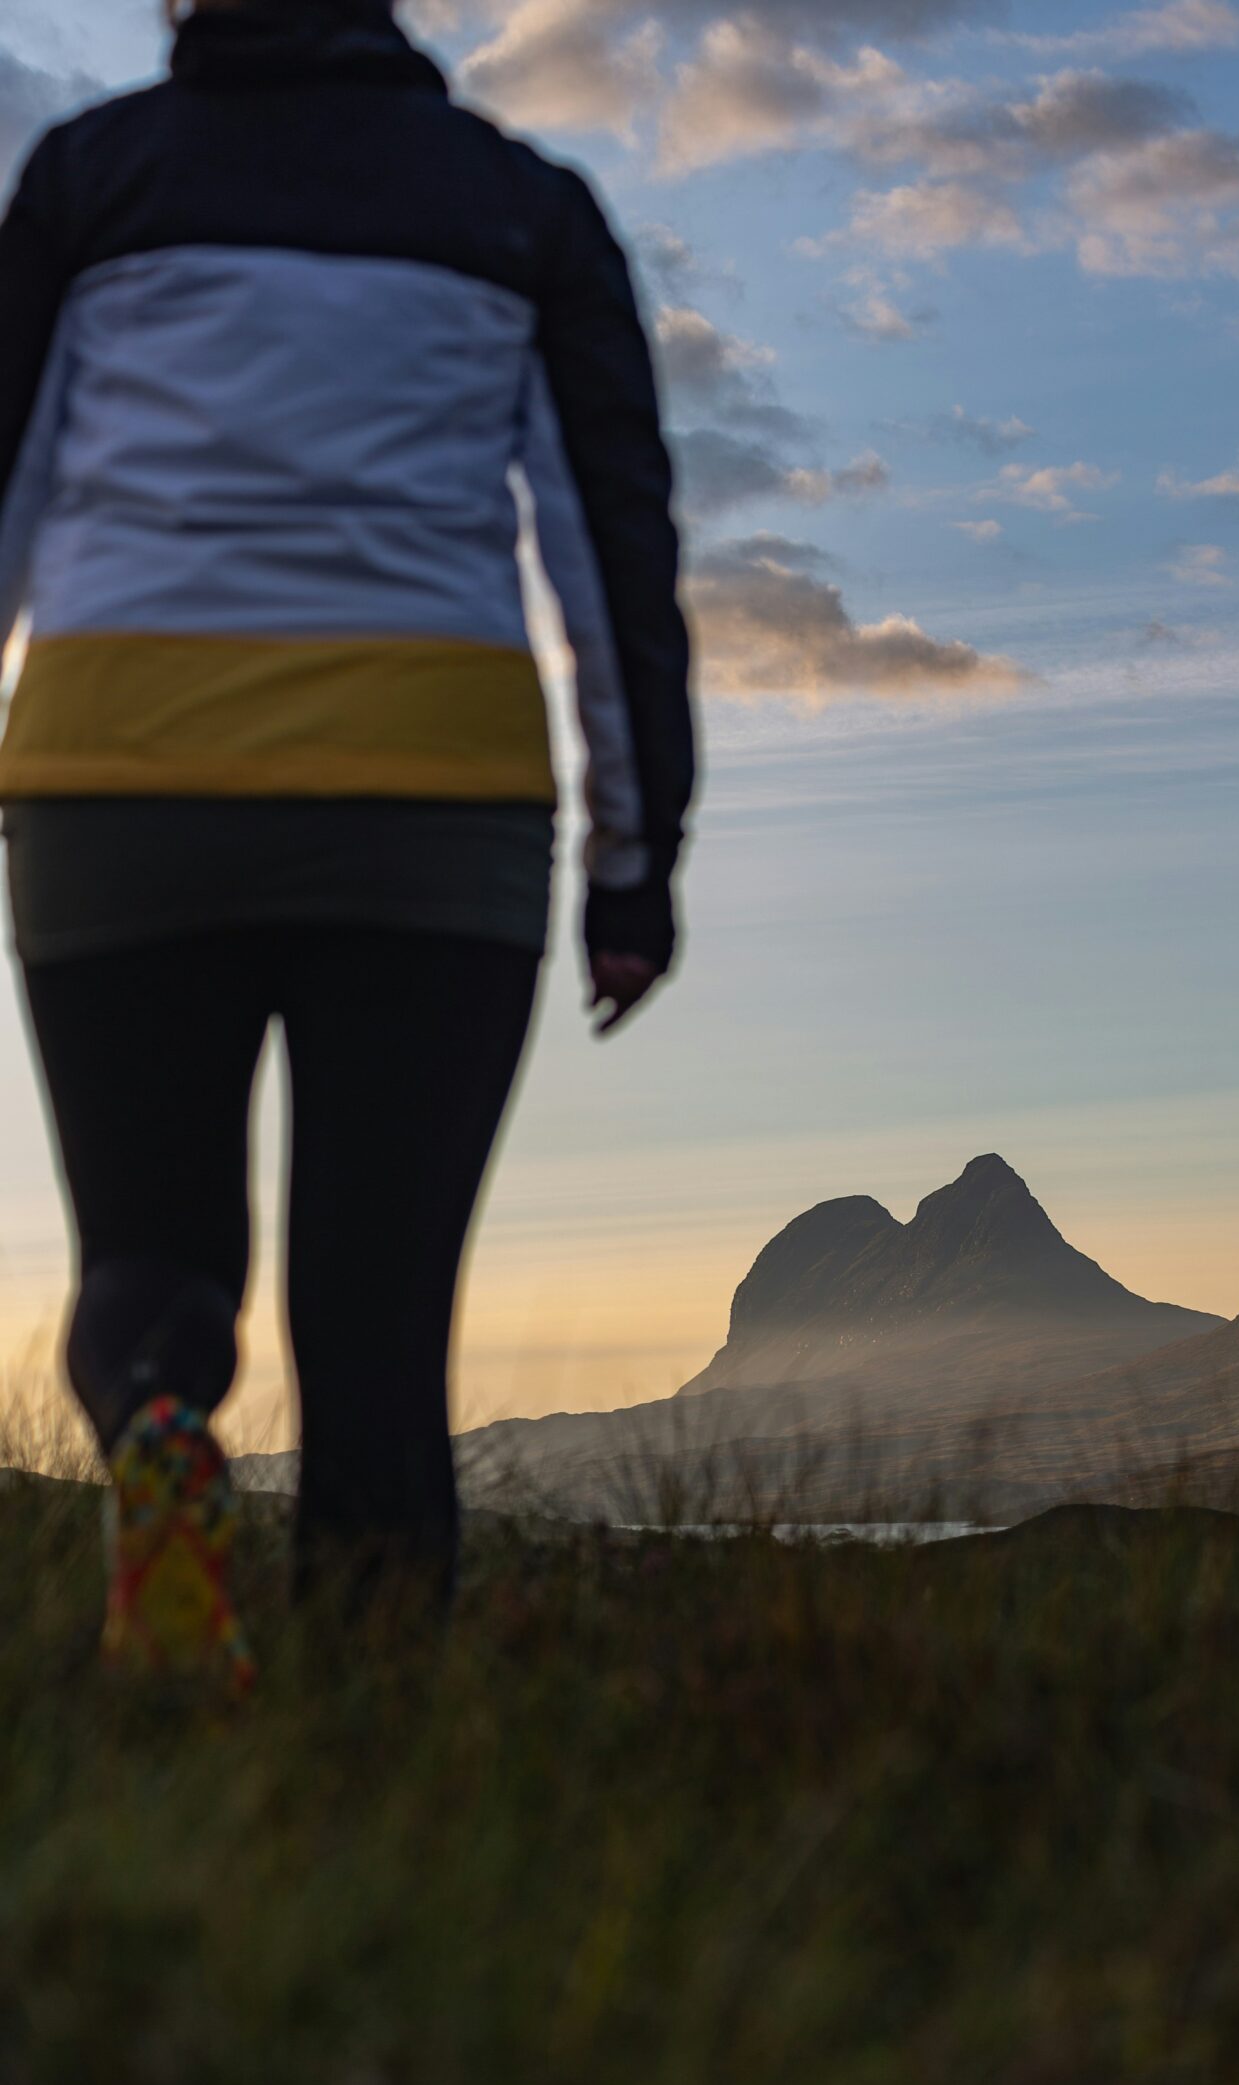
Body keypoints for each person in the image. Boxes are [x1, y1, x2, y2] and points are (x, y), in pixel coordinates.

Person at [0, 0, 695, 1691]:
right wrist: (633, 853)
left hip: (120, 775)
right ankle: (365, 1743)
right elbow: (609, 555)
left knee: (152, 1261)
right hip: (431, 803)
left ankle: (164, 1434)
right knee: (379, 1319)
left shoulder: (95, 179)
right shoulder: (520, 208)